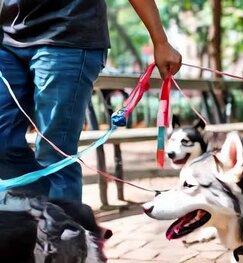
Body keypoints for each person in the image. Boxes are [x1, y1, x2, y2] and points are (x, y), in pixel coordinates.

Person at [0, 0, 182, 201]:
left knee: (54, 152)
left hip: (68, 35)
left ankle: (62, 227)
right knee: (3, 142)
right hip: (7, 37)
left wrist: (161, 41)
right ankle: (37, 216)